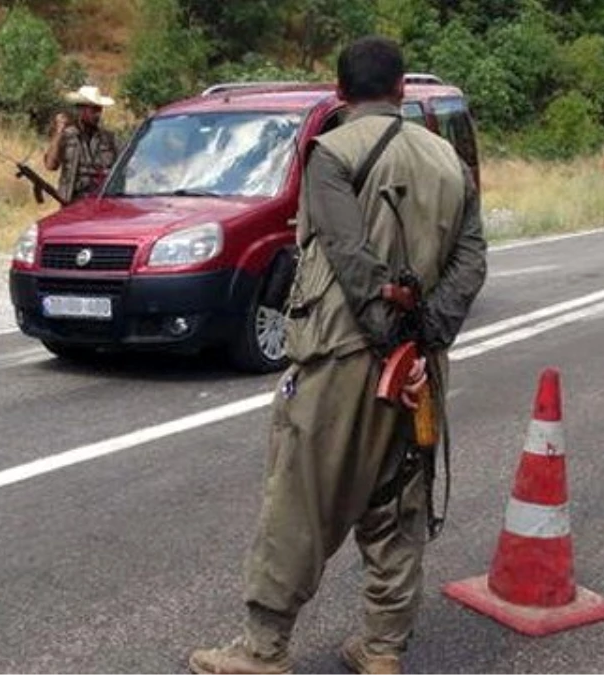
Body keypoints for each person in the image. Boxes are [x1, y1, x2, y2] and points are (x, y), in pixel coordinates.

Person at [189, 36, 487, 675]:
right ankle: (382, 647)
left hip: (343, 358)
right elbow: (471, 260)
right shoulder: (449, 161)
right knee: (399, 503)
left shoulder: (330, 153)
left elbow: (350, 257)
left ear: (340, 92)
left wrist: (386, 334)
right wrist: (424, 338)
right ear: (402, 89)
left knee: (299, 502)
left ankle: (263, 648)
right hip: (419, 367)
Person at [43, 85, 119, 203]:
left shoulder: (108, 138)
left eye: (99, 110)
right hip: (71, 202)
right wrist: (59, 131)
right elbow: (50, 165)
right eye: (93, 110)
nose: (98, 114)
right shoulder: (67, 135)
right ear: (81, 110)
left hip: (100, 201)